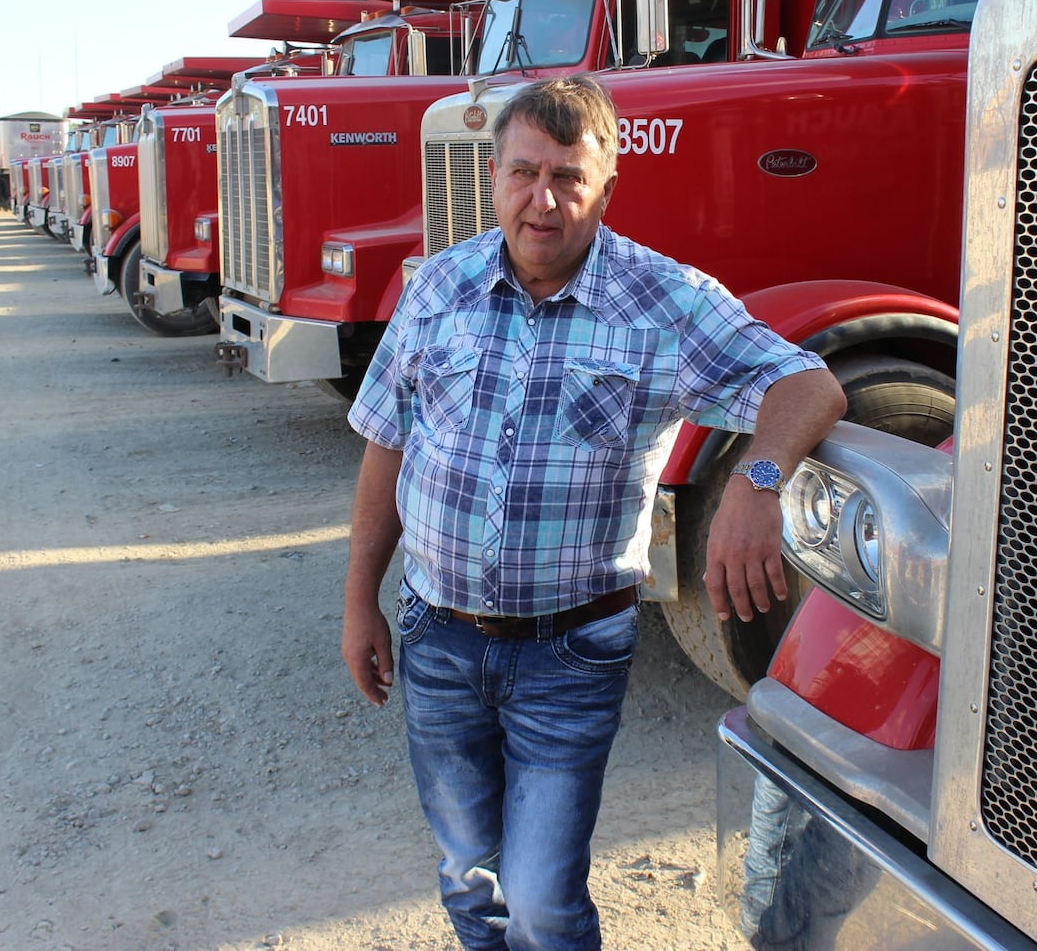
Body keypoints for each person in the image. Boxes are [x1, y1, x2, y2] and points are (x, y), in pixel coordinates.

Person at [341, 74, 846, 951]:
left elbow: (810, 382)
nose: (543, 200)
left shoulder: (666, 302)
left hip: (569, 655)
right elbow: (387, 443)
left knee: (540, 903)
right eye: (524, 172)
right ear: (493, 174)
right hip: (437, 638)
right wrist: (360, 603)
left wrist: (754, 482)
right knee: (468, 874)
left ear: (607, 188)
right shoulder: (438, 290)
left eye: (568, 178)